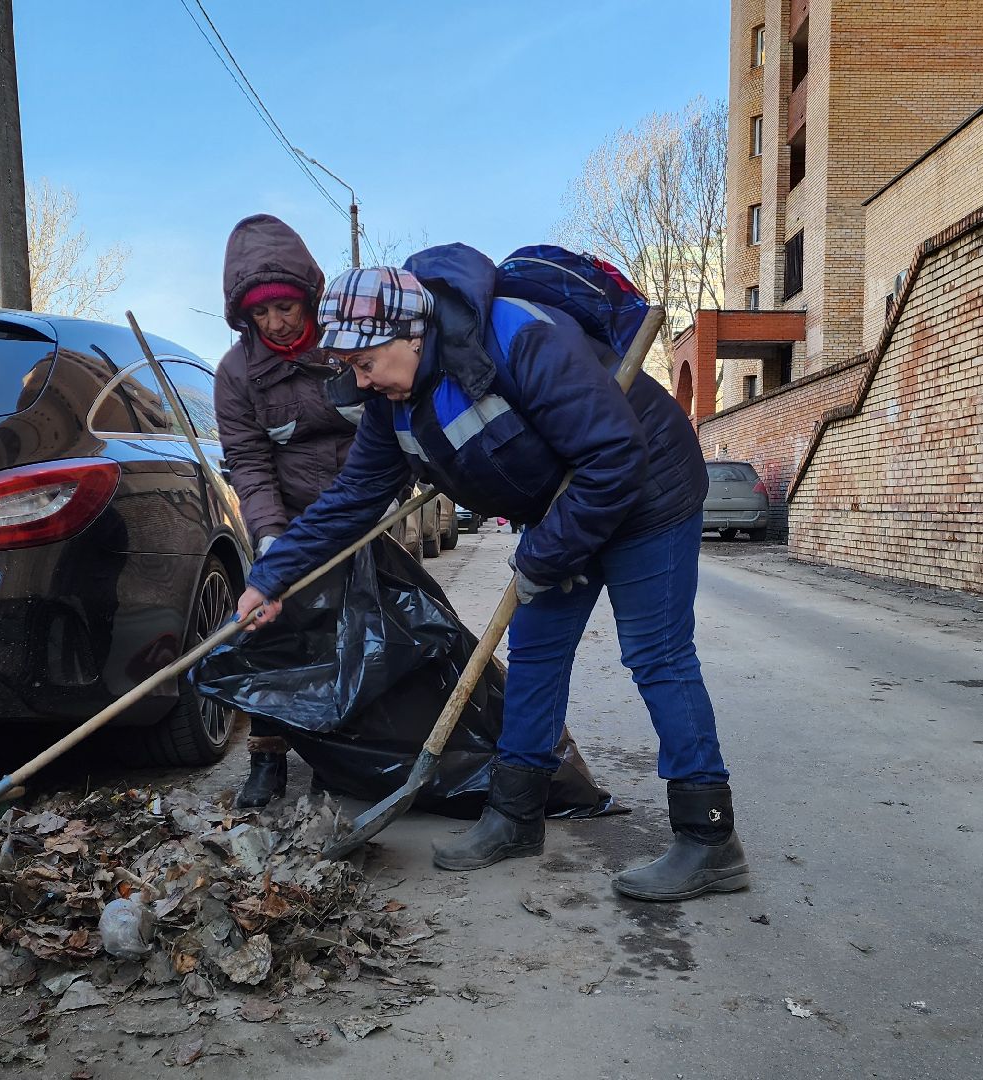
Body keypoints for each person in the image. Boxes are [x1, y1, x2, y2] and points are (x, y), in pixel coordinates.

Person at [236, 245, 749, 902]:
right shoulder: (394, 407)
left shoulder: (520, 337)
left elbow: (614, 456)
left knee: (656, 654)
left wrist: (540, 556)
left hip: (645, 490)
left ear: (411, 335)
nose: (360, 382)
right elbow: (347, 504)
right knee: (534, 654)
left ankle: (709, 839)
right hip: (562, 503)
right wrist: (270, 578)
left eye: (365, 364)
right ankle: (514, 816)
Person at [211, 214, 361, 808]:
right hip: (288, 516)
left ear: (309, 299)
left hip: (360, 510)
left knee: (355, 631)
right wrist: (272, 540)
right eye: (260, 314)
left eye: (286, 308)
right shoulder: (236, 375)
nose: (275, 323)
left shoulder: (350, 344)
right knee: (272, 632)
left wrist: (377, 503)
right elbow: (248, 460)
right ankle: (269, 754)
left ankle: (342, 754)